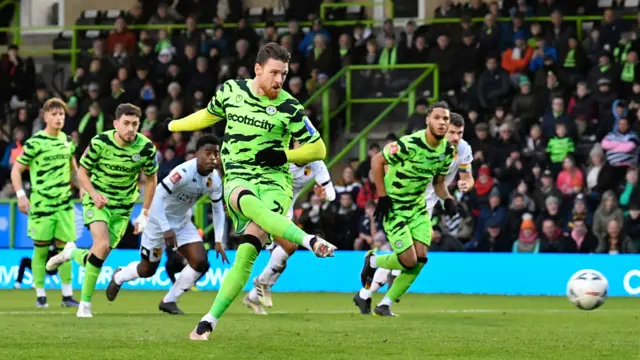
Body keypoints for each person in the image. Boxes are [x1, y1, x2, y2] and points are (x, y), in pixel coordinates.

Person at [164, 42, 336, 340]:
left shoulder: (290, 106)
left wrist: (285, 156)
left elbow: (318, 148)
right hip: (239, 176)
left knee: (247, 254)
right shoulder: (231, 91)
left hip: (275, 180)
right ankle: (308, 240)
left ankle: (207, 321)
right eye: (274, 73)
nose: (279, 80)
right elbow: (208, 115)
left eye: (283, 74)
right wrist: (174, 125)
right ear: (258, 70)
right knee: (242, 199)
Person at [353, 112, 475, 312]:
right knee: (407, 258)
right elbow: (384, 163)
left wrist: (465, 185)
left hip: (430, 203)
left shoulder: (462, 149)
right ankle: (371, 289)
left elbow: (467, 178)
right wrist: (384, 195)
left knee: (418, 258)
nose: (455, 137)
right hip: (408, 202)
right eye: (452, 132)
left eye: (459, 133)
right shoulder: (419, 144)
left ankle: (375, 299)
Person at [46, 103, 158, 318]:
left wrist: (145, 213)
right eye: (126, 123)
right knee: (102, 244)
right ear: (116, 124)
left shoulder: (145, 147)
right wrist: (93, 194)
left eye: (135, 124)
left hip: (123, 208)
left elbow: (152, 179)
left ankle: (70, 253)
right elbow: (82, 172)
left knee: (98, 256)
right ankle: (84, 305)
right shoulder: (100, 142)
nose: (130, 129)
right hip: (97, 201)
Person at [104, 135, 228, 315]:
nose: (213, 158)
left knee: (201, 262)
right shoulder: (183, 172)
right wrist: (165, 228)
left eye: (216, 153)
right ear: (196, 154)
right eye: (208, 153)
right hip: (157, 221)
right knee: (147, 270)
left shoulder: (214, 179)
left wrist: (218, 239)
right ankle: (120, 275)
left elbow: (217, 209)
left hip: (182, 222)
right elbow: (157, 197)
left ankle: (169, 301)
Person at [244, 150, 336, 314]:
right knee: (290, 247)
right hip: (266, 208)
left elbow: (331, 194)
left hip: (286, 213)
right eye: (303, 142)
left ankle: (252, 297)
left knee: (282, 261)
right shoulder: (279, 158)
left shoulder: (316, 162)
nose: (308, 146)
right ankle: (261, 282)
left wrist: (323, 195)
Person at [10, 98, 80, 308]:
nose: (59, 118)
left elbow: (73, 171)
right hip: (41, 206)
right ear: (46, 116)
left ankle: (67, 296)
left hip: (64, 205)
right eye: (55, 114)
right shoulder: (34, 143)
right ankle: (41, 295)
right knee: (40, 250)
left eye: (62, 115)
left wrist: (85, 190)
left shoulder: (67, 142)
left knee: (65, 250)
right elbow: (16, 170)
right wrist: (21, 195)